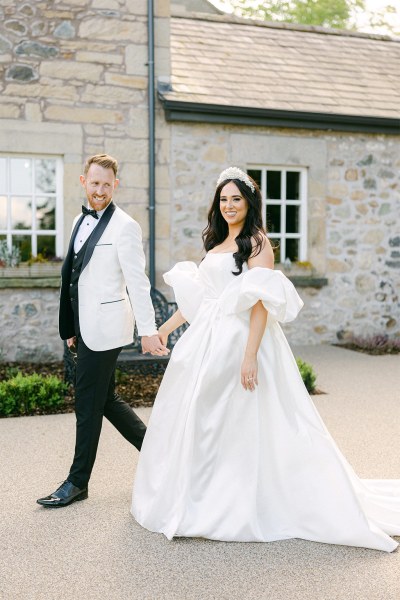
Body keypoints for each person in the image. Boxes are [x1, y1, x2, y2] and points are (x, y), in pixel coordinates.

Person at [131, 166, 400, 551]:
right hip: (207, 338)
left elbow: (260, 304)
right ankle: (200, 497)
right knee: (202, 418)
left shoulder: (258, 244)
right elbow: (202, 300)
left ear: (249, 202)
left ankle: (239, 501)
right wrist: (164, 328)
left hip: (242, 340)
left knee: (238, 418)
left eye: (235, 199)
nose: (228, 206)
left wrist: (250, 355)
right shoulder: (217, 243)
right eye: (223, 200)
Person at [37, 154, 168, 508]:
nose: (100, 190)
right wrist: (71, 325)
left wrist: (149, 329)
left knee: (87, 403)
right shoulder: (81, 220)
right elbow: (73, 276)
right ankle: (165, 455)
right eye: (94, 183)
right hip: (85, 326)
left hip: (109, 328)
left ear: (116, 185)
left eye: (106, 184)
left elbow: (138, 283)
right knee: (106, 399)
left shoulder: (125, 225)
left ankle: (77, 482)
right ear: (84, 182)